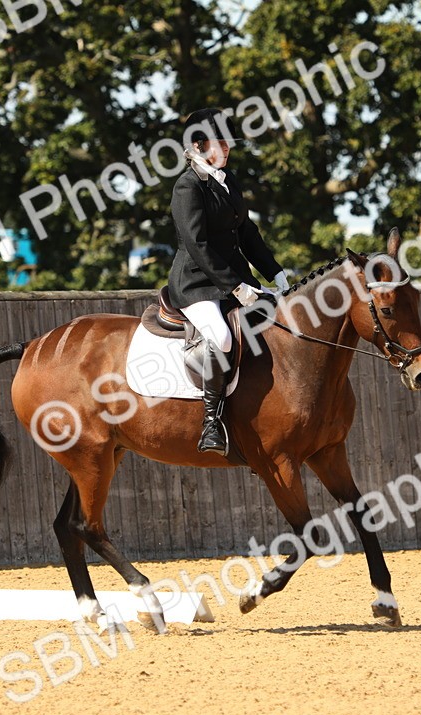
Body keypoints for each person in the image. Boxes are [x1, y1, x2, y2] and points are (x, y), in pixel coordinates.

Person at [167, 107, 290, 456]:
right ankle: (211, 423)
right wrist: (237, 286)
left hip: (237, 281)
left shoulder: (227, 179)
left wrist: (276, 275)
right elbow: (198, 244)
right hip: (197, 285)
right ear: (200, 145)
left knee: (276, 319)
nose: (228, 147)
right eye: (221, 141)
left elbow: (246, 232)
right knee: (221, 336)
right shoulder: (187, 186)